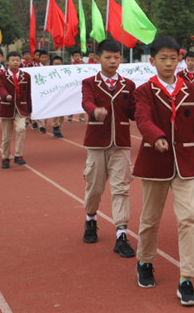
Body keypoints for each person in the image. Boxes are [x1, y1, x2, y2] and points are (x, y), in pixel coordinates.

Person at [132, 36, 194, 306]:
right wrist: (156, 137)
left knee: (188, 218)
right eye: (162, 58)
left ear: (180, 59)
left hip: (185, 163)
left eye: (172, 58)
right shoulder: (144, 91)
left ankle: (186, 278)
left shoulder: (191, 90)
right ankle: (145, 261)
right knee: (151, 218)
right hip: (155, 162)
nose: (168, 63)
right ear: (152, 61)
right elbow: (143, 118)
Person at [80, 39, 137, 258]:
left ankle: (121, 233)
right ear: (97, 59)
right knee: (94, 187)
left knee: (121, 188)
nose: (113, 61)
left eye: (117, 57)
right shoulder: (89, 83)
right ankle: (91, 218)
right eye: (108, 57)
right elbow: (86, 102)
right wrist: (95, 111)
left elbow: (134, 112)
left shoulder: (128, 85)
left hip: (121, 143)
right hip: (97, 141)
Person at [0, 52, 32, 169]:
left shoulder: (26, 76)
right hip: (7, 107)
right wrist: (6, 95)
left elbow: (28, 94)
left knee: (21, 129)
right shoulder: (1, 75)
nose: (16, 62)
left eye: (17, 60)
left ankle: (18, 155)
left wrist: (29, 109)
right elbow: (0, 87)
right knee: (6, 136)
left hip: (21, 108)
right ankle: (5, 157)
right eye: (13, 60)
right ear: (7, 62)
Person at [50, 55, 66, 138]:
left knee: (62, 113)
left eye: (59, 64)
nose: (57, 65)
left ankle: (59, 128)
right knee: (56, 111)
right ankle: (55, 127)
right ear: (52, 64)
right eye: (55, 64)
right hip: (53, 96)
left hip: (63, 95)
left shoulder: (65, 73)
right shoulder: (48, 73)